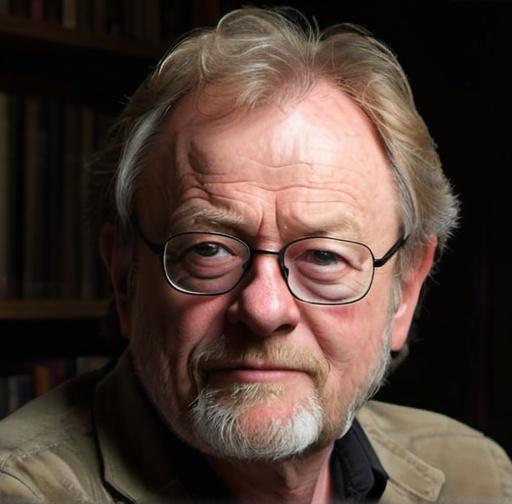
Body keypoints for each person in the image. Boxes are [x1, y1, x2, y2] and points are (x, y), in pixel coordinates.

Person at [1, 6, 511, 503]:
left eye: (324, 257)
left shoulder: (479, 476)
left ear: (405, 291)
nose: (264, 311)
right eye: (209, 249)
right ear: (124, 277)